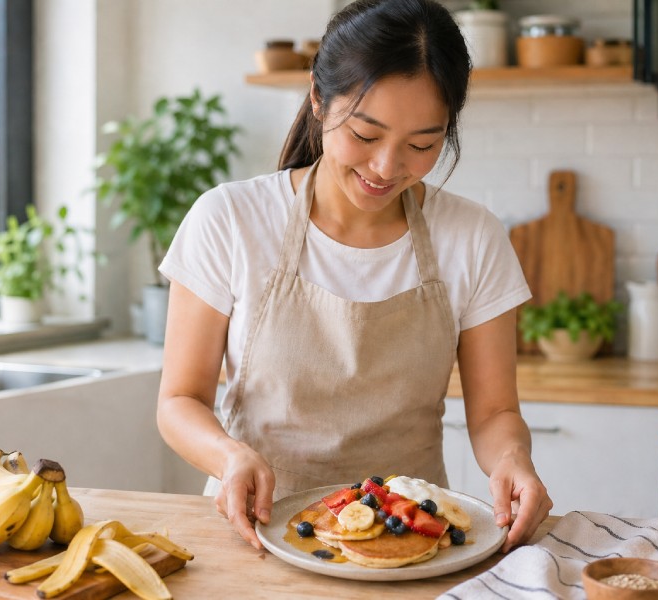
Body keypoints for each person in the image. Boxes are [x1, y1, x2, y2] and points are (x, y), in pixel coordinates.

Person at [156, 0, 552, 554]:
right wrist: (229, 456)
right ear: (318, 99)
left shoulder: (472, 237)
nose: (387, 168)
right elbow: (179, 400)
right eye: (366, 135)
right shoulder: (230, 219)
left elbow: (494, 413)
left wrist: (513, 461)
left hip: (410, 545)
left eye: (422, 145)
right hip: (256, 535)